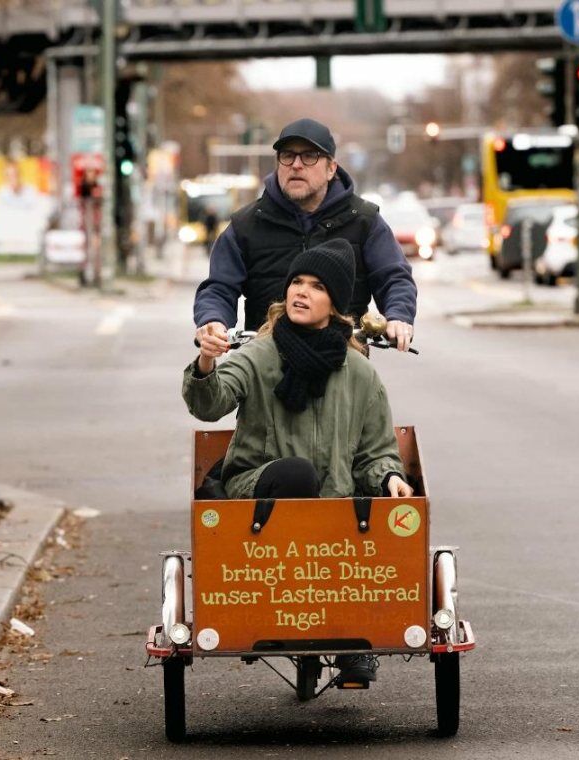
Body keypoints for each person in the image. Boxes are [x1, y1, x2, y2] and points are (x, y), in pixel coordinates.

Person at [183, 239, 413, 685]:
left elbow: (375, 451)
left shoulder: (359, 372)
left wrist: (389, 478)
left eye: (316, 286)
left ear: (336, 303)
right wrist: (208, 362)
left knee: (365, 509)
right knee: (296, 473)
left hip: (336, 510)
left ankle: (353, 639)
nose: (301, 293)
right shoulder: (258, 355)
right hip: (258, 495)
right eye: (296, 283)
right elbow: (209, 405)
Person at [194, 118, 418, 355]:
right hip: (265, 363)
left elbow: (394, 277)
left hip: (342, 361)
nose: (296, 165)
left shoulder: (365, 220)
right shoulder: (245, 224)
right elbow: (219, 286)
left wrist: (398, 316)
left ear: (331, 168)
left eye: (309, 156)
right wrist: (213, 320)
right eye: (287, 155)